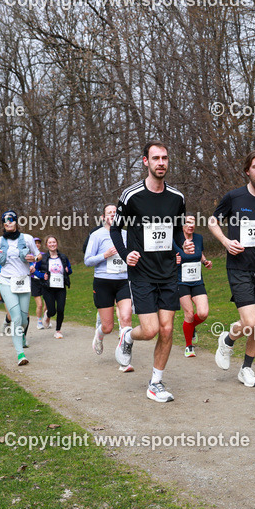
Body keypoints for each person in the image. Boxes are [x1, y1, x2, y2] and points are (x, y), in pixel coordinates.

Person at [111, 141, 192, 401]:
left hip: (168, 272)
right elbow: (115, 229)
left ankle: (155, 383)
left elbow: (176, 230)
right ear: (146, 161)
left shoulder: (177, 198)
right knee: (150, 330)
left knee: (167, 329)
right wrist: (126, 254)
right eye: (156, 158)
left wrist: (182, 244)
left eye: (164, 158)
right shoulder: (132, 195)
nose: (161, 163)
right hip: (142, 273)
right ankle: (127, 335)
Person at [208, 150, 255, 387]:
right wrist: (225, 242)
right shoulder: (234, 197)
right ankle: (227, 339)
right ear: (248, 171)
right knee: (250, 321)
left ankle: (246, 368)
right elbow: (212, 221)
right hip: (239, 267)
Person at [83, 204, 134, 371]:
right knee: (108, 327)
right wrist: (105, 255)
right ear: (103, 217)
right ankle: (99, 336)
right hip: (103, 282)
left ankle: (124, 360)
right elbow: (87, 260)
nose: (112, 214)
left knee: (126, 319)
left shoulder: (126, 234)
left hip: (123, 281)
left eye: (115, 212)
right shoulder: (97, 235)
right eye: (109, 213)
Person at [0, 211, 42, 365]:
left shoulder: (27, 238)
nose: (8, 223)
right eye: (5, 220)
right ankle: (20, 355)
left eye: (11, 220)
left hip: (23, 281)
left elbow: (39, 255)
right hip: (6, 281)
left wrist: (34, 259)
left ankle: (22, 335)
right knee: (16, 318)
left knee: (24, 320)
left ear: (16, 222)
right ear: (3, 223)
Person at [174, 215, 212, 359]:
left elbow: (200, 253)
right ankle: (189, 346)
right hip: (181, 282)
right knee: (189, 314)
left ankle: (191, 326)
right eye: (188, 222)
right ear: (182, 225)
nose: (191, 225)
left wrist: (205, 261)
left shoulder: (198, 238)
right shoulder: (176, 239)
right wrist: (173, 260)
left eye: (193, 222)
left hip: (197, 281)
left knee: (203, 313)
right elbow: (171, 255)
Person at [36, 236, 72, 339]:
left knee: (61, 309)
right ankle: (48, 314)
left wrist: (67, 270)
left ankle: (58, 330)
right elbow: (35, 271)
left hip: (60, 287)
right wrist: (42, 275)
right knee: (52, 310)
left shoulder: (63, 257)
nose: (52, 244)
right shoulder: (42, 258)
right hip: (47, 288)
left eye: (54, 242)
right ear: (46, 245)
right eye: (50, 242)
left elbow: (69, 270)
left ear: (57, 243)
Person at [31, 236, 46, 330]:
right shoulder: (29, 256)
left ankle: (45, 319)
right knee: (39, 304)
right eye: (35, 243)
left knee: (47, 303)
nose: (37, 245)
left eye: (38, 243)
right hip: (34, 281)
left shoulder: (44, 255)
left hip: (43, 280)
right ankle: (39, 321)